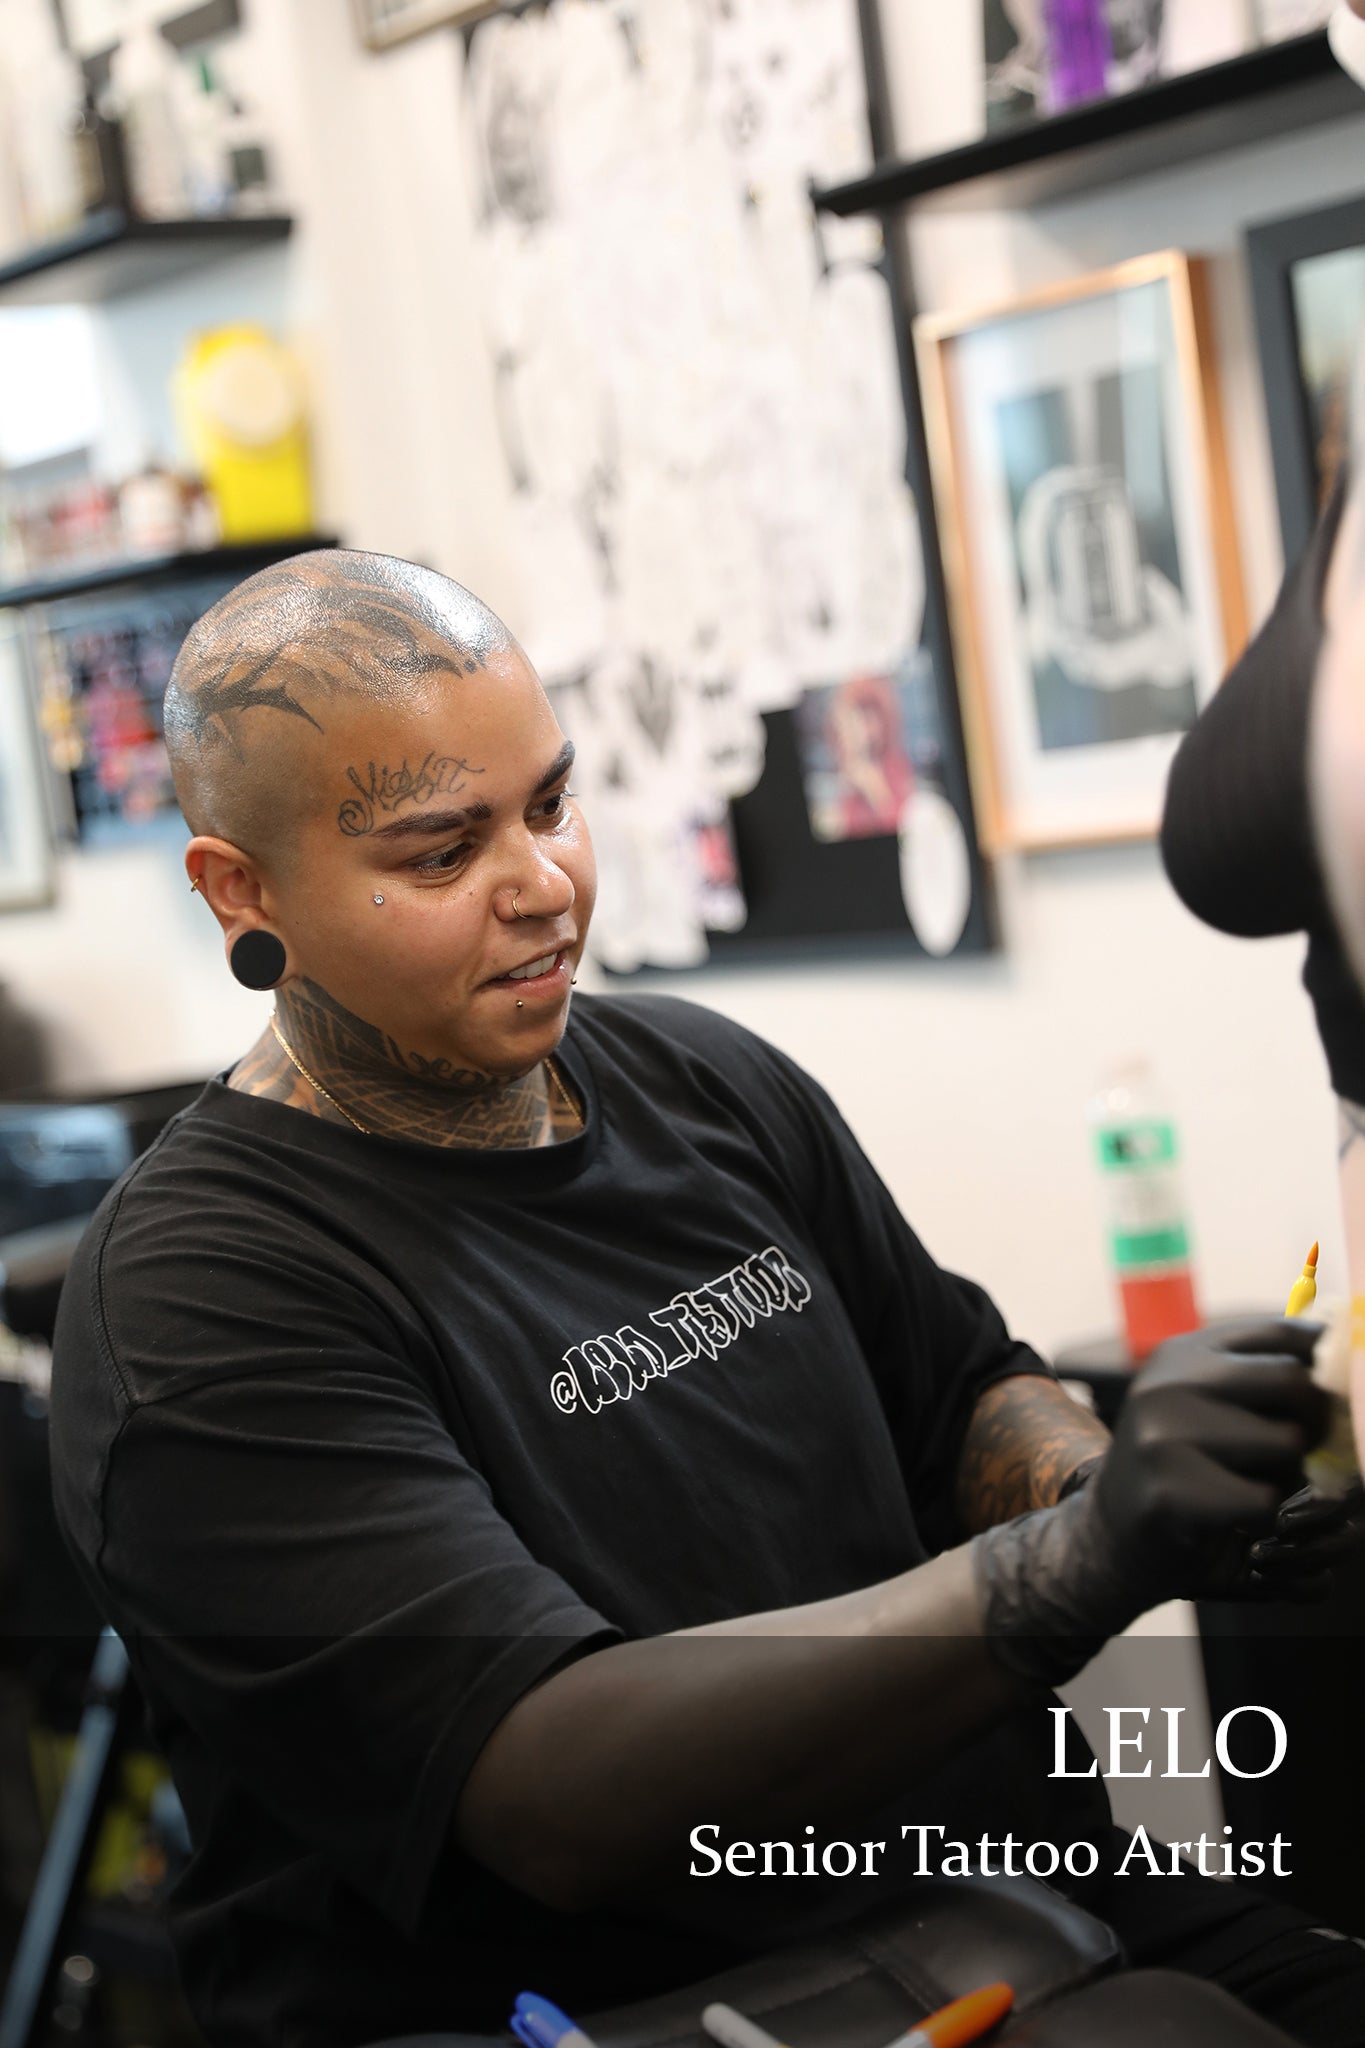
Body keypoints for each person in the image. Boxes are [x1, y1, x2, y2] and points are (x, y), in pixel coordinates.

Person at [48, 552, 1365, 2048]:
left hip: (1016, 1902)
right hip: (620, 2008)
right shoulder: (200, 1297)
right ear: (241, 889)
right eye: (439, 852)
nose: (543, 883)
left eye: (549, 804)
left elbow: (956, 1392)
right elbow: (550, 1787)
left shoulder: (700, 1078)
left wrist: (1116, 1480)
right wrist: (1075, 1561)